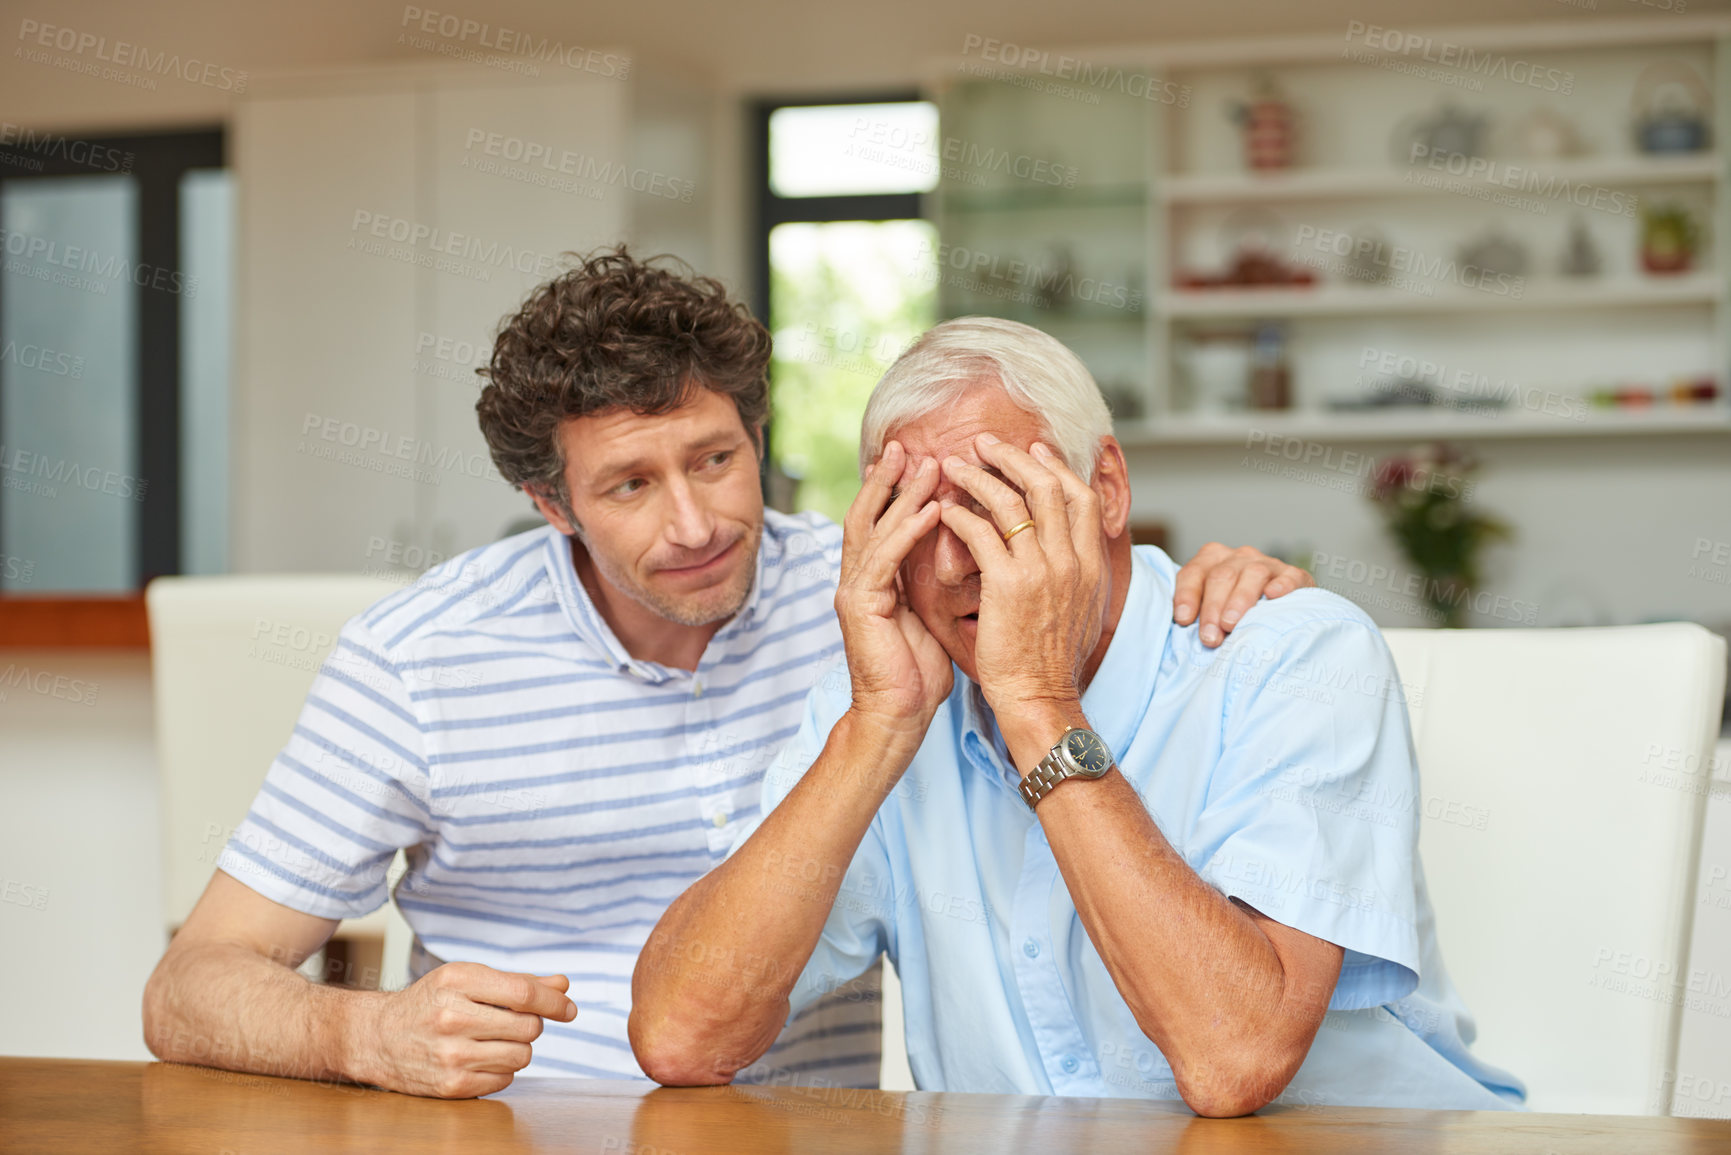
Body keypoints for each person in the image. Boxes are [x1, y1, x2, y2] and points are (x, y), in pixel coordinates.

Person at [140, 250, 1312, 1099]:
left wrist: (1193, 580)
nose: (697, 522)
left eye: (717, 458)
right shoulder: (419, 660)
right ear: (550, 505)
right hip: (512, 1133)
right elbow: (191, 985)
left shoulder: (881, 590)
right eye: (629, 485)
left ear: (760, 438)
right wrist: (369, 1037)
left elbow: (1069, 611)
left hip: (802, 1135)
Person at [630, 315, 1527, 1116]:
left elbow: (1234, 1060)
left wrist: (1036, 706)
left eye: (991, 505)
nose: (949, 569)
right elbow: (682, 1037)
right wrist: (873, 731)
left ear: (1104, 489)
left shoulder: (1294, 656)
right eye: (914, 520)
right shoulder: (886, 699)